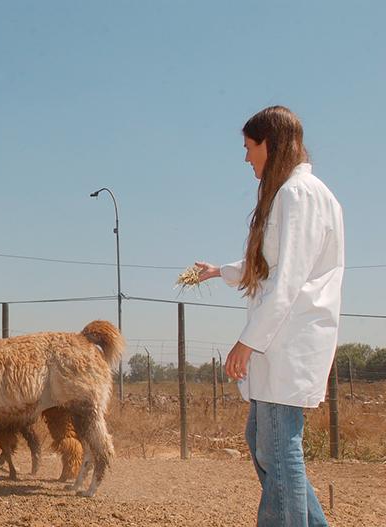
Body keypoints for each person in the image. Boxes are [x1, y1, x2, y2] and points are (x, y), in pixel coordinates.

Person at [195, 105, 344, 526]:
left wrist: (247, 341)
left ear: (270, 144)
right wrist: (218, 271)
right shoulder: (294, 195)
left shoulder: (300, 195)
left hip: (287, 339)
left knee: (278, 450)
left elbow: (289, 281)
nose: (246, 158)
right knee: (264, 441)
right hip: (279, 339)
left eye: (249, 147)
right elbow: (269, 265)